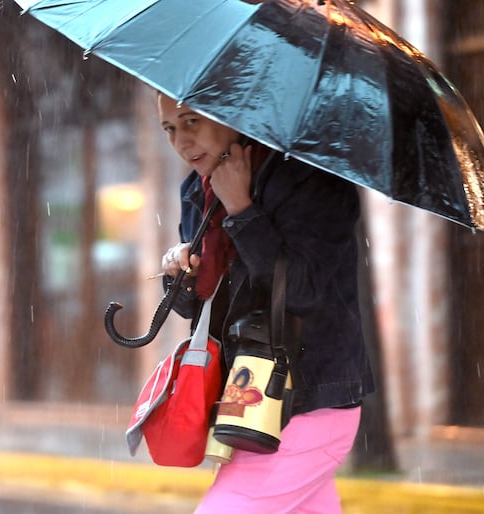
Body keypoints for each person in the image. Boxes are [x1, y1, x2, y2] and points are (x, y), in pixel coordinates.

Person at [157, 92, 375, 514]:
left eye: (190, 121)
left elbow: (303, 291)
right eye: (169, 128)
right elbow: (203, 307)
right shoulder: (199, 190)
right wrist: (180, 275)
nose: (181, 142)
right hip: (250, 401)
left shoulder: (311, 178)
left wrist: (242, 209)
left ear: (230, 110)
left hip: (309, 401)